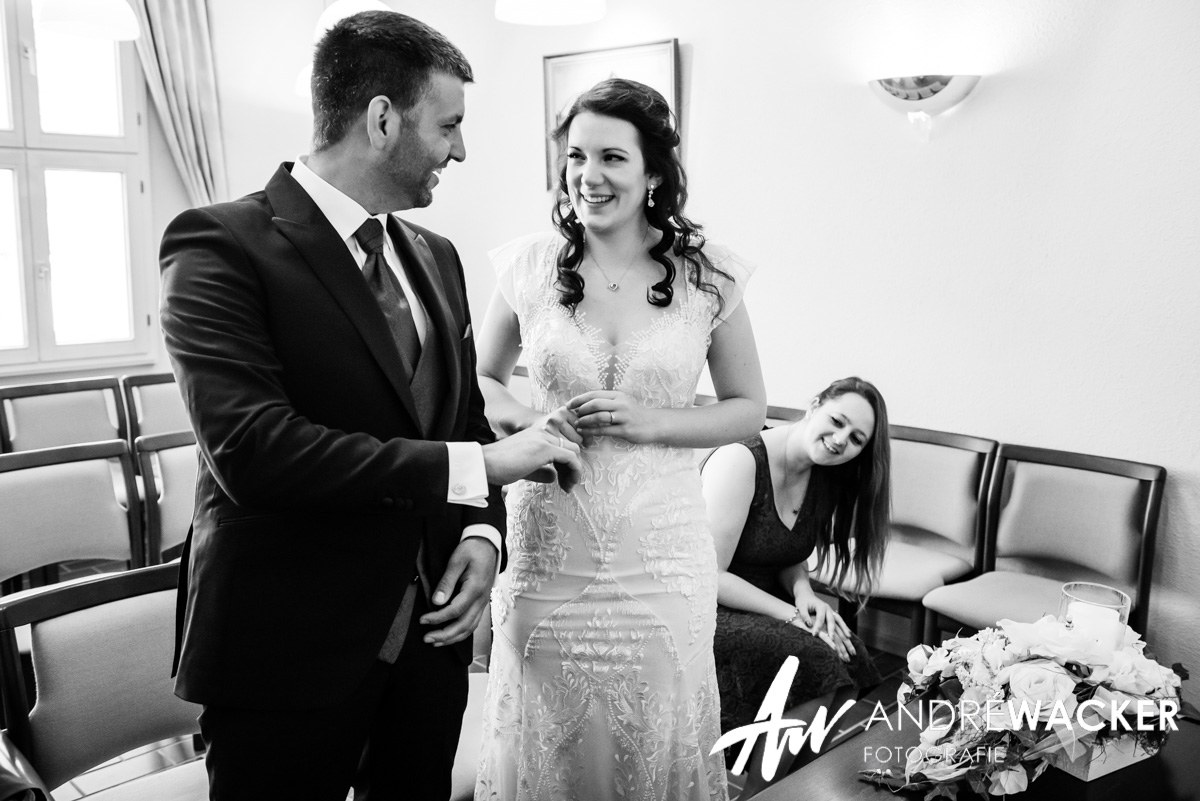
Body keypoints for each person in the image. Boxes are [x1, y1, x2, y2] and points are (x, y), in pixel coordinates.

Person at [159, 11, 581, 801]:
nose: (461, 150)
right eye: (448, 125)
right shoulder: (219, 245)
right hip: (288, 650)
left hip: (428, 646)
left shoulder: (436, 257)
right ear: (382, 119)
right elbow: (255, 449)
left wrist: (483, 533)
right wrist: (481, 467)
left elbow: (461, 418)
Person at [473, 77, 767, 801]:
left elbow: (748, 410)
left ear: (654, 173)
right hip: (549, 548)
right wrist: (530, 424)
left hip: (660, 557)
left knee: (654, 739)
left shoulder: (707, 275)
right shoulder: (528, 266)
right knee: (546, 742)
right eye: (576, 156)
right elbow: (479, 380)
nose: (588, 176)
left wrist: (653, 422)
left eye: (611, 157)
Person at [700, 377, 889, 790]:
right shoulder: (741, 459)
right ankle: (761, 792)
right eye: (837, 421)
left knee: (851, 657)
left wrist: (805, 594)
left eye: (856, 439)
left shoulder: (821, 472)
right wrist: (790, 615)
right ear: (815, 405)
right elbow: (709, 576)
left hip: (767, 601)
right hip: (709, 606)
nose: (841, 440)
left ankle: (788, 786)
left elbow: (788, 553)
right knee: (814, 660)